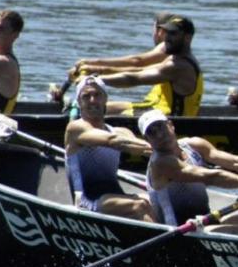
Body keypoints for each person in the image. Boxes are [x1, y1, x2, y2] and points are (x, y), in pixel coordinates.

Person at [137, 110, 238, 240]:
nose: (159, 134)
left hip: (206, 220)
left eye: (160, 127)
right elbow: (211, 176)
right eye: (152, 132)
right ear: (147, 139)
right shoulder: (161, 163)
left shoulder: (193, 145)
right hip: (181, 232)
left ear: (171, 125)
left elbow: (237, 162)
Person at [63, 76, 154, 221]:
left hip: (114, 195)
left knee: (153, 201)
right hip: (86, 202)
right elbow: (112, 141)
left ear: (105, 99)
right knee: (140, 206)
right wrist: (151, 147)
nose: (92, 100)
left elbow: (142, 148)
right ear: (79, 102)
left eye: (97, 95)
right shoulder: (75, 128)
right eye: (86, 97)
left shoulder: (120, 131)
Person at [98, 15, 203, 117]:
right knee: (107, 107)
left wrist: (96, 81)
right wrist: (99, 73)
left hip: (168, 122)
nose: (167, 38)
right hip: (158, 110)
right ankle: (81, 113)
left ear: (187, 38)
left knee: (118, 115)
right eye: (167, 32)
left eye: (173, 33)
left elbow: (134, 79)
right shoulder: (176, 59)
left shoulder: (179, 66)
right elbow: (140, 70)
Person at [55, 12, 170, 102]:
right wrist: (92, 66)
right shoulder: (172, 49)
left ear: (160, 30)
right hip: (157, 101)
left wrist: (94, 67)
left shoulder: (166, 48)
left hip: (160, 106)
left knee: (101, 107)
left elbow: (137, 63)